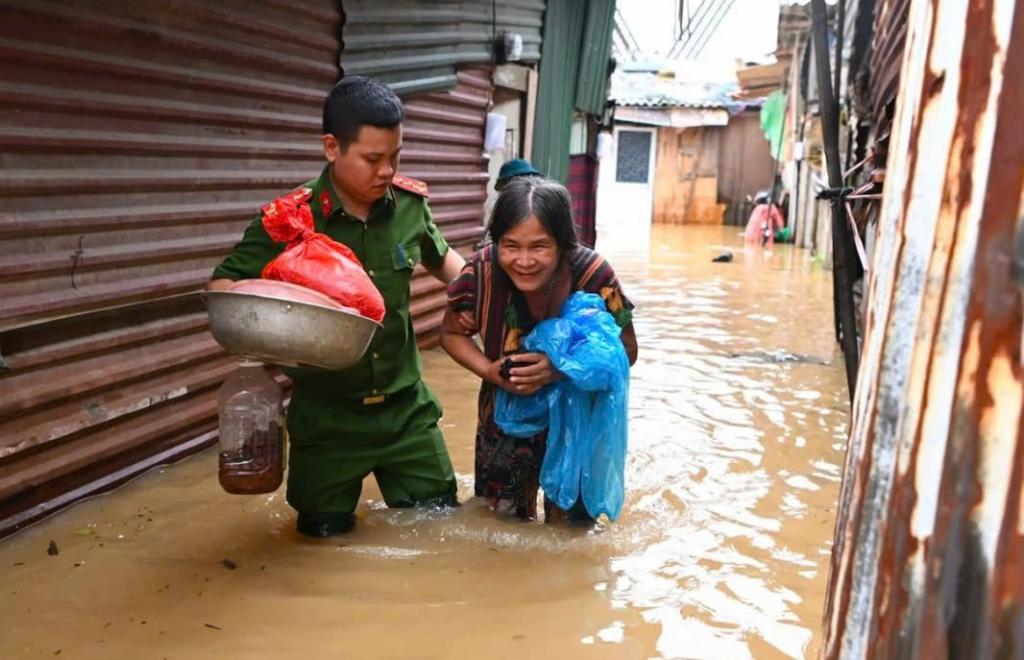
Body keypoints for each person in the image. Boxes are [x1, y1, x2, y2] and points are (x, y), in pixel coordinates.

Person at [208, 76, 466, 538]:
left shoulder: (409, 206)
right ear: (332, 147)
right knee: (320, 541)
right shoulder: (289, 219)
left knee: (439, 527)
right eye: (372, 159)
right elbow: (225, 286)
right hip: (326, 417)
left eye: (396, 156)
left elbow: (445, 261)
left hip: (406, 412)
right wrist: (273, 334)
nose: (387, 170)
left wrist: (490, 297)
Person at [440, 177, 638, 522]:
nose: (524, 260)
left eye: (540, 246)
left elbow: (627, 350)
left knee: (572, 536)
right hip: (504, 422)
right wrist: (489, 372)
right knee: (501, 531)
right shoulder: (481, 273)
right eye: (510, 245)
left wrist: (561, 369)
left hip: (578, 425)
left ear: (563, 243)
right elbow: (450, 334)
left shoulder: (595, 276)